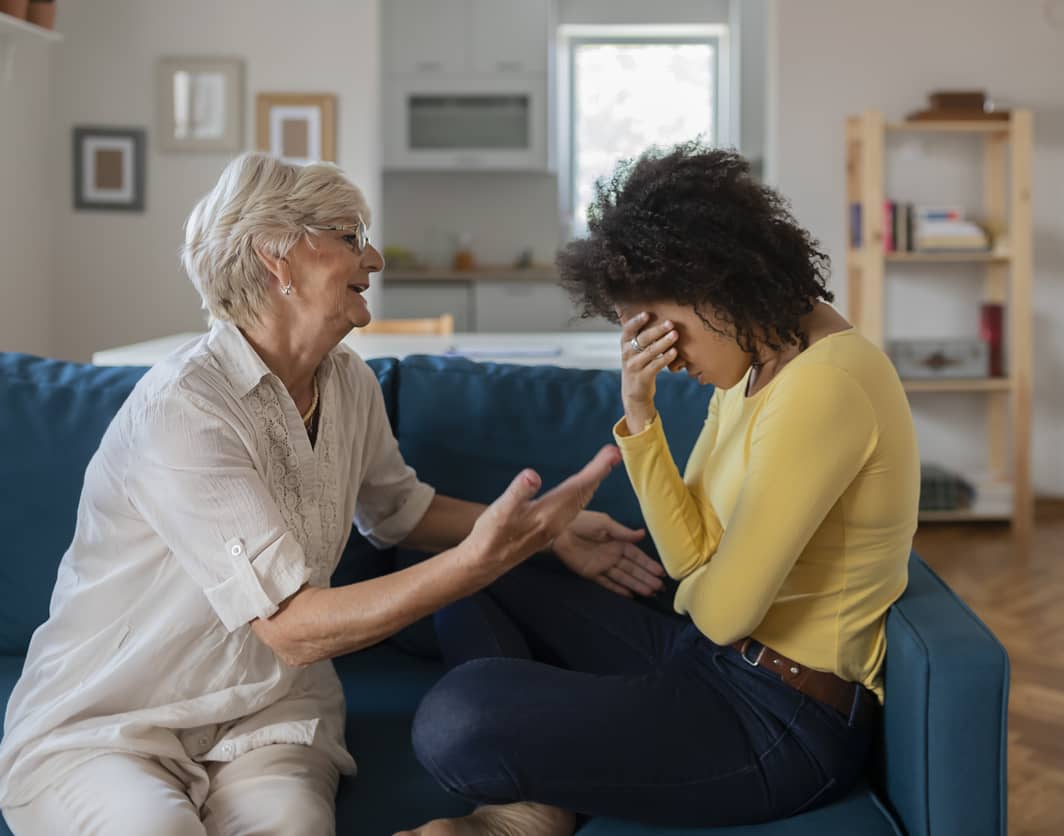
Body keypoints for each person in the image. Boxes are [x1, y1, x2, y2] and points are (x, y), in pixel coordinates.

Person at [0, 152, 656, 836]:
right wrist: (479, 562)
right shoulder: (185, 409)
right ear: (276, 259)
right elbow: (292, 627)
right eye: (350, 236)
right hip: (115, 720)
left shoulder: (347, 382)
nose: (372, 259)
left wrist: (547, 530)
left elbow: (400, 513)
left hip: (268, 717)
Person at [401, 142, 921, 836]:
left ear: (715, 286)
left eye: (663, 329)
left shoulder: (826, 385)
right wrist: (640, 413)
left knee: (457, 719)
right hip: (711, 664)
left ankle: (536, 787)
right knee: (469, 572)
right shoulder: (757, 363)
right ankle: (534, 800)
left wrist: (709, 586)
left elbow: (724, 612)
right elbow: (688, 560)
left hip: (781, 722)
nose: (665, 355)